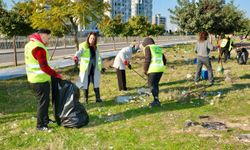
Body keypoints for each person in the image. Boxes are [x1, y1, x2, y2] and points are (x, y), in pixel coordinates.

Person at [24, 29, 62, 131]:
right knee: (43, 103)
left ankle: (45, 119)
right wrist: (56, 74)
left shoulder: (29, 44)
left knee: (43, 101)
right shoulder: (38, 48)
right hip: (39, 80)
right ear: (43, 36)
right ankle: (41, 125)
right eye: (48, 38)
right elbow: (44, 67)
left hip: (33, 79)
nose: (48, 40)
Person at [73, 32, 105, 104]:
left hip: (94, 69)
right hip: (86, 69)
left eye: (94, 38)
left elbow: (99, 58)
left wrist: (102, 67)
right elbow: (79, 52)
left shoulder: (96, 47)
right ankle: (85, 100)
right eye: (91, 38)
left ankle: (98, 98)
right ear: (88, 38)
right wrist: (76, 57)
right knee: (85, 84)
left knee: (96, 83)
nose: (92, 40)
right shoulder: (84, 45)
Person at [141, 37, 166, 107]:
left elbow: (147, 59)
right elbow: (164, 59)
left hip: (153, 69)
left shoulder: (148, 47)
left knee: (151, 85)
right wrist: (162, 66)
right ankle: (156, 99)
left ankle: (156, 101)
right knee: (155, 84)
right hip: (160, 69)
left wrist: (145, 70)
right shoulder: (158, 47)